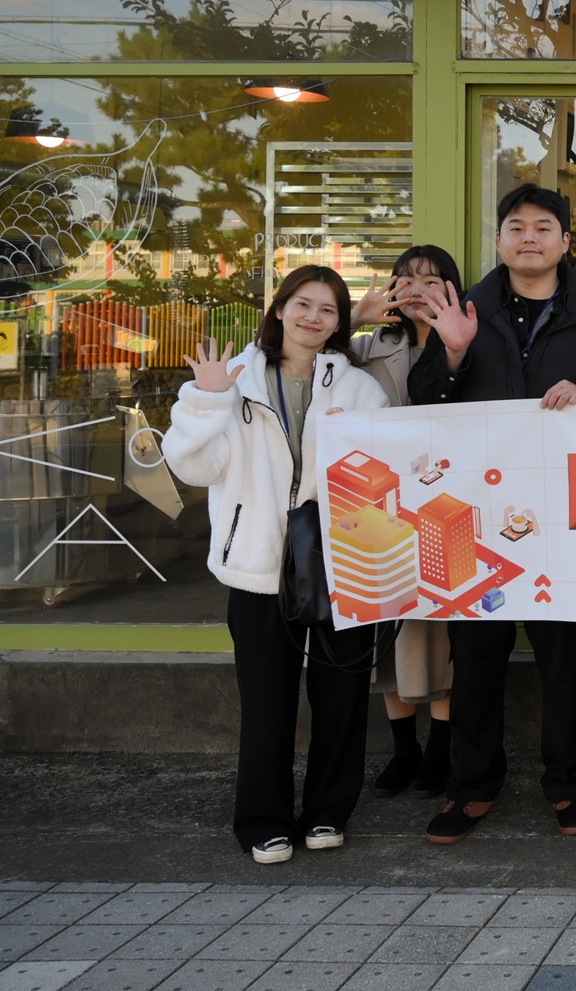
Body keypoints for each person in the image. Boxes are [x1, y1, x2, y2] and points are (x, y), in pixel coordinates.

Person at [402, 184, 576, 845]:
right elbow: (422, 400)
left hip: (565, 514)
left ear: (566, 242)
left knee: (564, 655)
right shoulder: (465, 308)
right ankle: (471, 785)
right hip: (472, 515)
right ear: (500, 239)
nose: (529, 237)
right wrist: (453, 351)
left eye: (543, 227)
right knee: (475, 657)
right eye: (517, 226)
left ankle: (572, 782)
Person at [162, 266, 388, 864]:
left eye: (328, 309)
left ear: (340, 323)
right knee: (267, 700)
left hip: (340, 560)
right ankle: (263, 820)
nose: (313, 318)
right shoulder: (234, 378)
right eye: (303, 304)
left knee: (342, 694)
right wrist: (208, 398)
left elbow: (382, 470)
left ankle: (328, 812)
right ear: (281, 308)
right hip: (257, 560)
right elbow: (192, 467)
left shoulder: (360, 388)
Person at [349, 245, 463, 798]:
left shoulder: (466, 342)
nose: (418, 289)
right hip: (378, 506)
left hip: (448, 503)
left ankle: (440, 747)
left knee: (440, 627)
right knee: (387, 622)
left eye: (432, 279)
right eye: (407, 278)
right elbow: (297, 355)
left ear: (453, 288)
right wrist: (352, 319)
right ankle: (403, 748)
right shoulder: (367, 347)